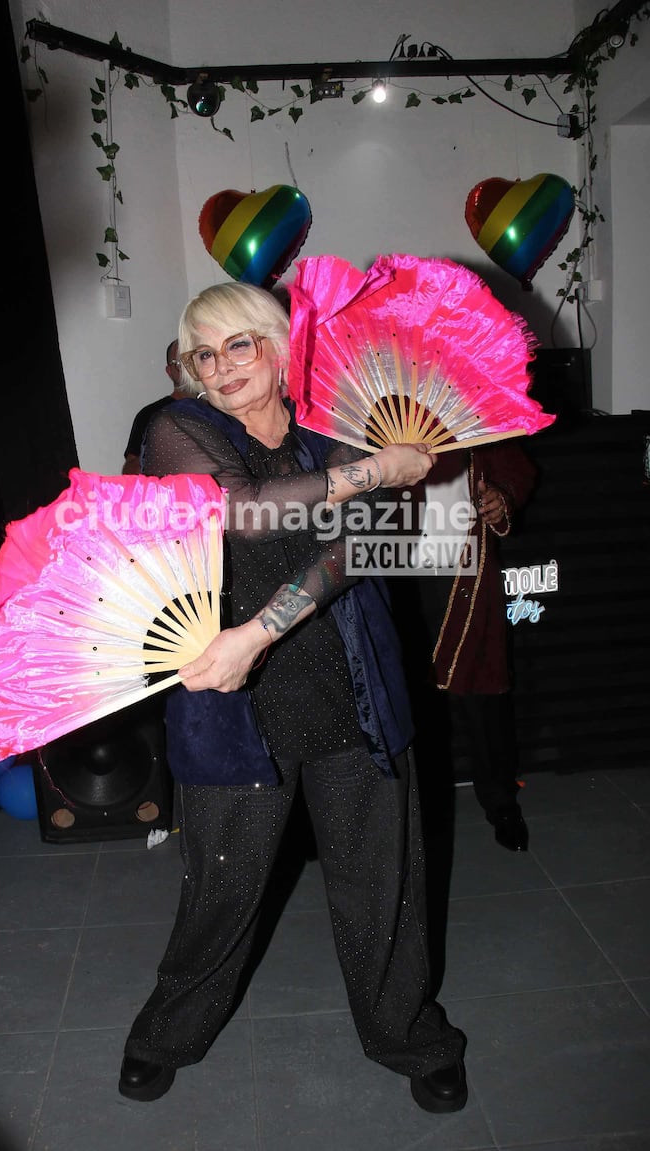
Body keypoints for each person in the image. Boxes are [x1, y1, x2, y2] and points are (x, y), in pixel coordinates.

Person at [118, 282, 468, 1115]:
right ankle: (164, 1032)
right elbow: (241, 513)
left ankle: (408, 1034)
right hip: (234, 709)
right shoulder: (179, 431)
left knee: (381, 881)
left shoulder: (335, 435)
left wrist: (259, 632)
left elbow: (354, 554)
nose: (219, 366)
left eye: (239, 344)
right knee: (221, 888)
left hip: (352, 691)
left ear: (280, 346)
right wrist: (377, 469)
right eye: (203, 353)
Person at [395, 442, 537, 851]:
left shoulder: (477, 414)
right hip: (398, 566)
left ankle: (501, 804)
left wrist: (501, 496)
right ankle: (409, 811)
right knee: (408, 697)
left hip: (468, 571)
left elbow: (517, 470)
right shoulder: (382, 411)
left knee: (484, 696)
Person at [122, 340, 185, 474]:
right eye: (179, 363)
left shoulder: (220, 408)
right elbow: (129, 472)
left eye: (191, 359)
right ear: (169, 371)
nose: (187, 368)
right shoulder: (151, 414)